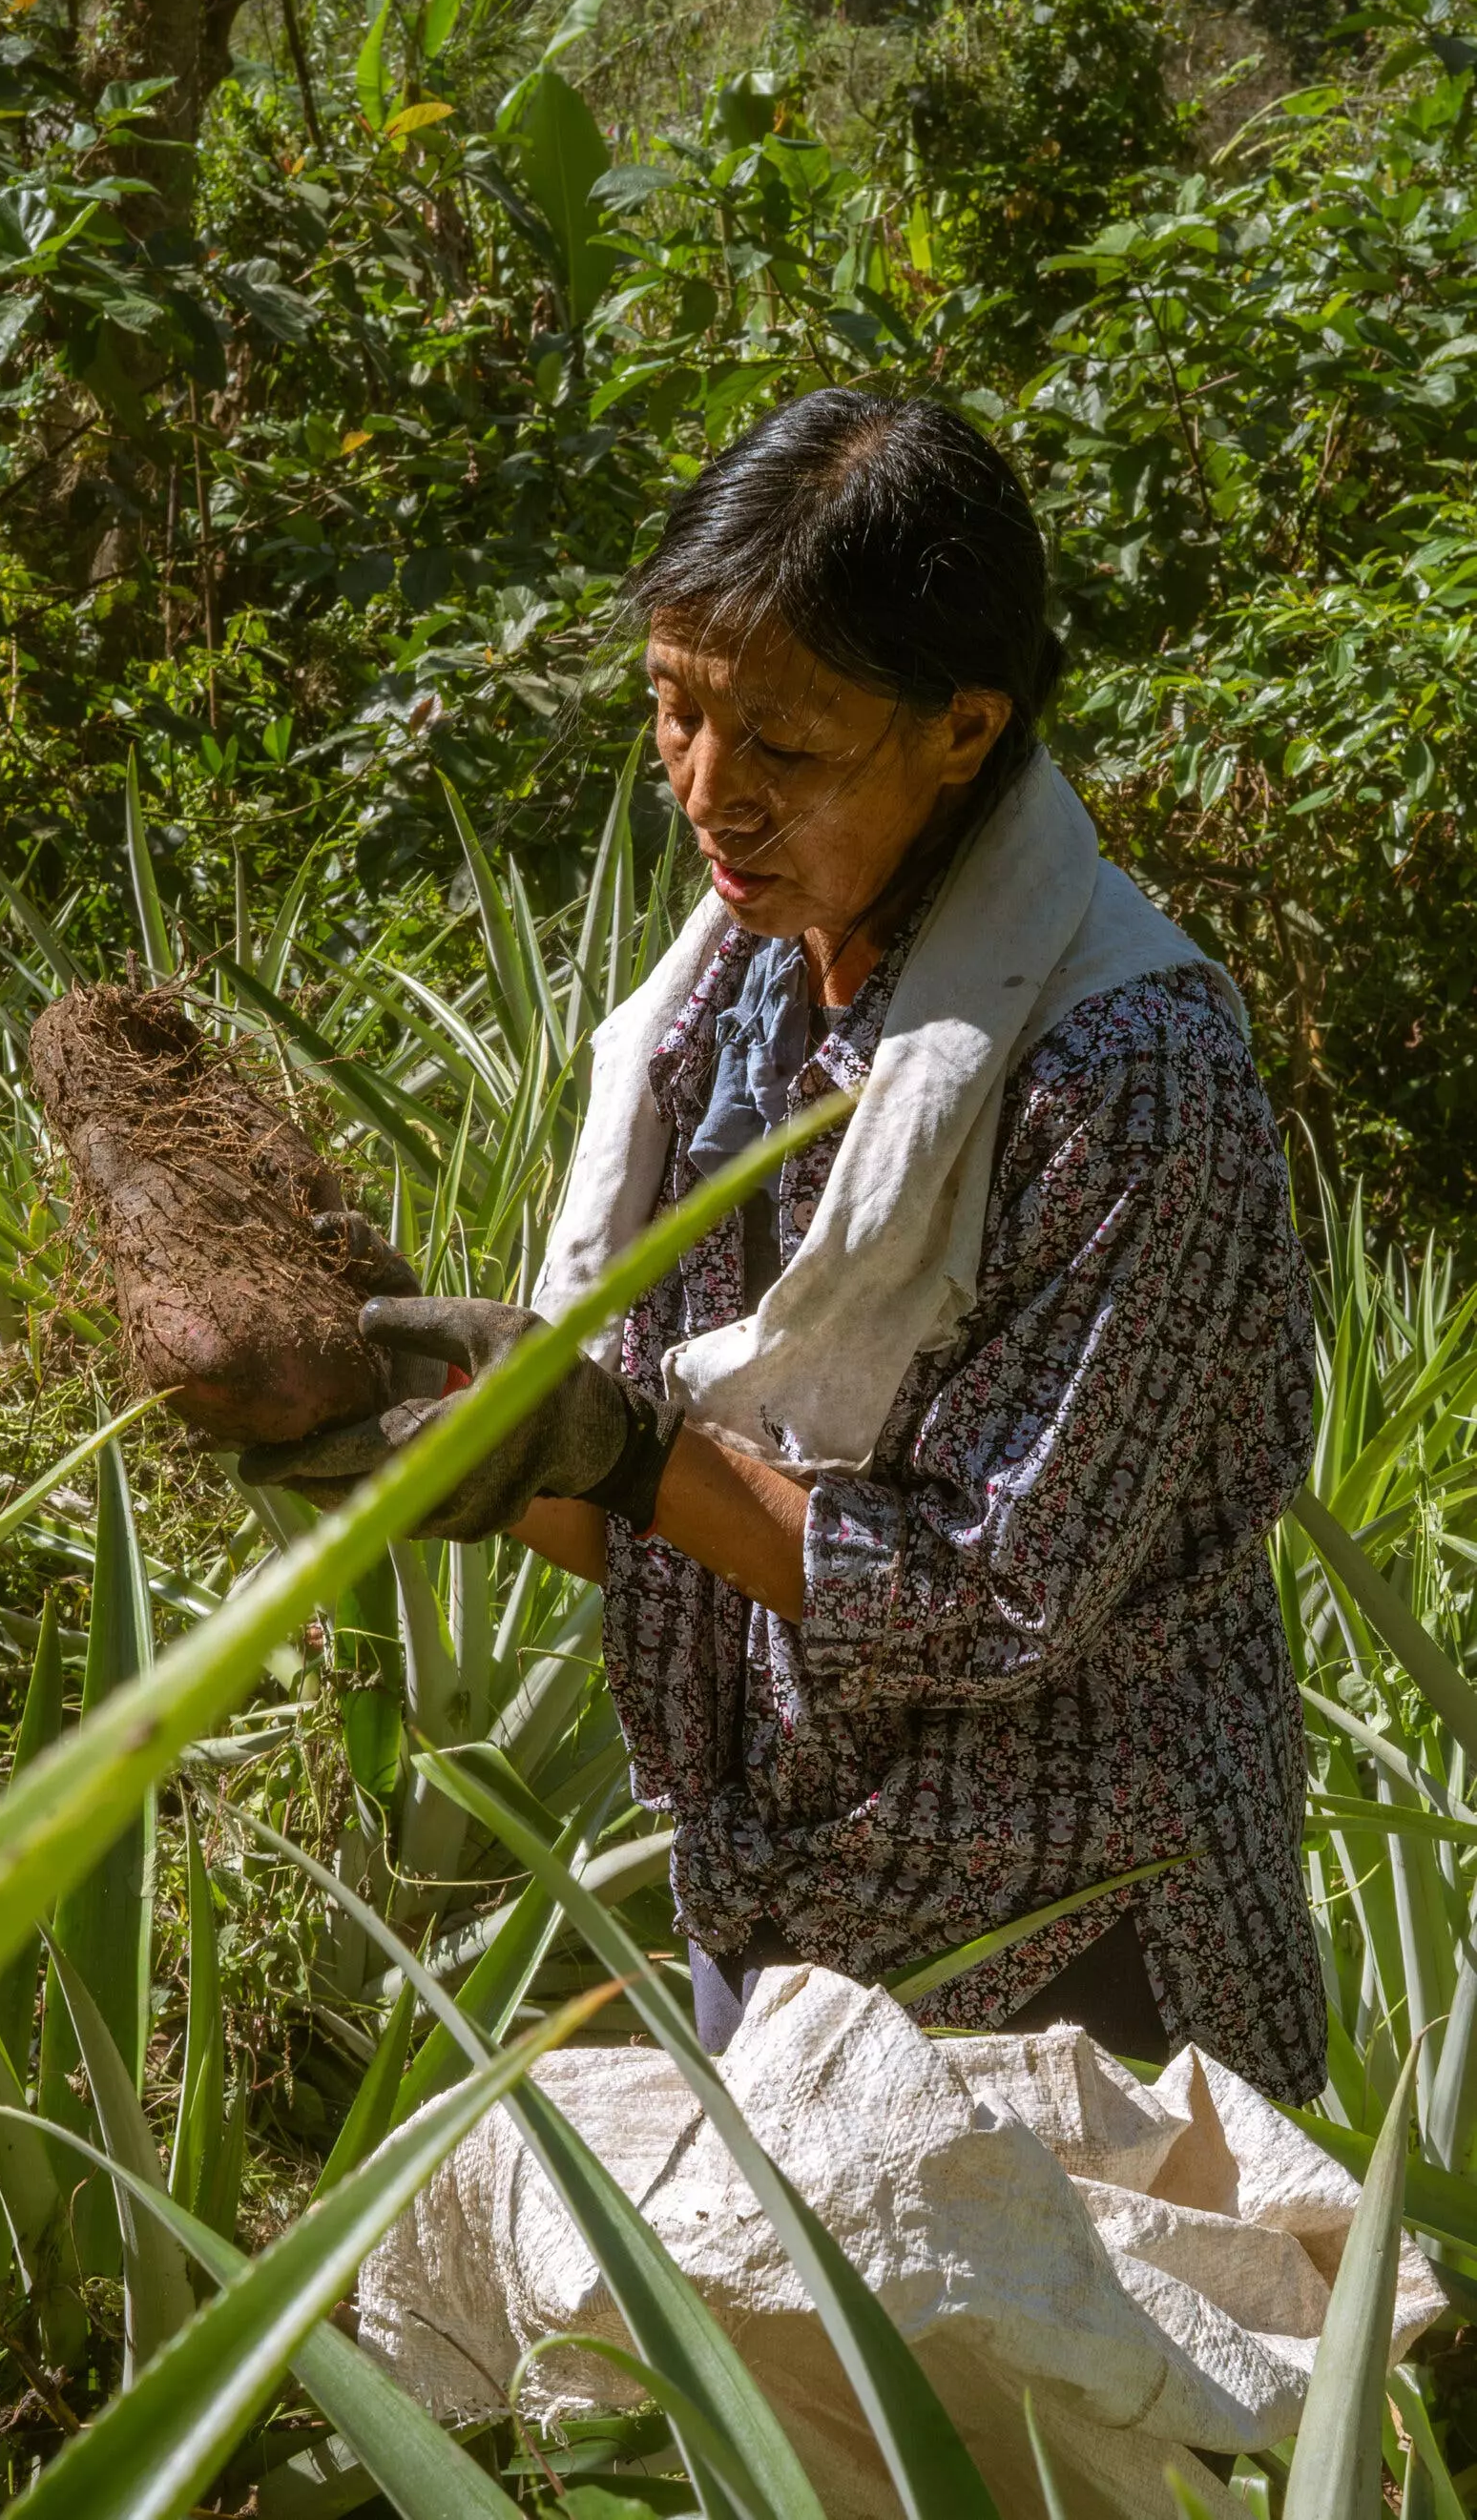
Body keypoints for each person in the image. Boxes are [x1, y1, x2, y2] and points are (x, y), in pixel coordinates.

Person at [243, 390, 1325, 2102]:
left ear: (962, 728)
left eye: (783, 742)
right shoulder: (726, 997)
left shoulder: (1124, 1072)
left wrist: (614, 1442)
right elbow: (677, 1521)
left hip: (1065, 1946)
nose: (707, 790)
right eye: (673, 712)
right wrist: (414, 1425)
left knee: (1070, 2373)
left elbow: (990, 1594)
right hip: (776, 1897)